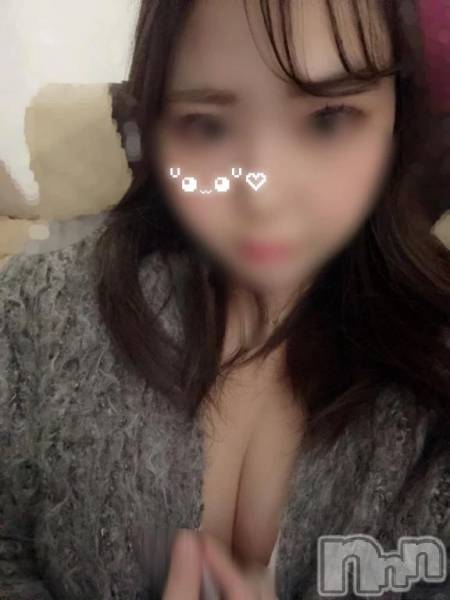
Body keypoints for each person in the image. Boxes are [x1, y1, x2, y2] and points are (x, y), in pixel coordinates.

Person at [1, 0, 449, 598]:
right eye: (208, 125)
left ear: (398, 113)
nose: (263, 194)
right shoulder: (34, 313)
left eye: (329, 117)